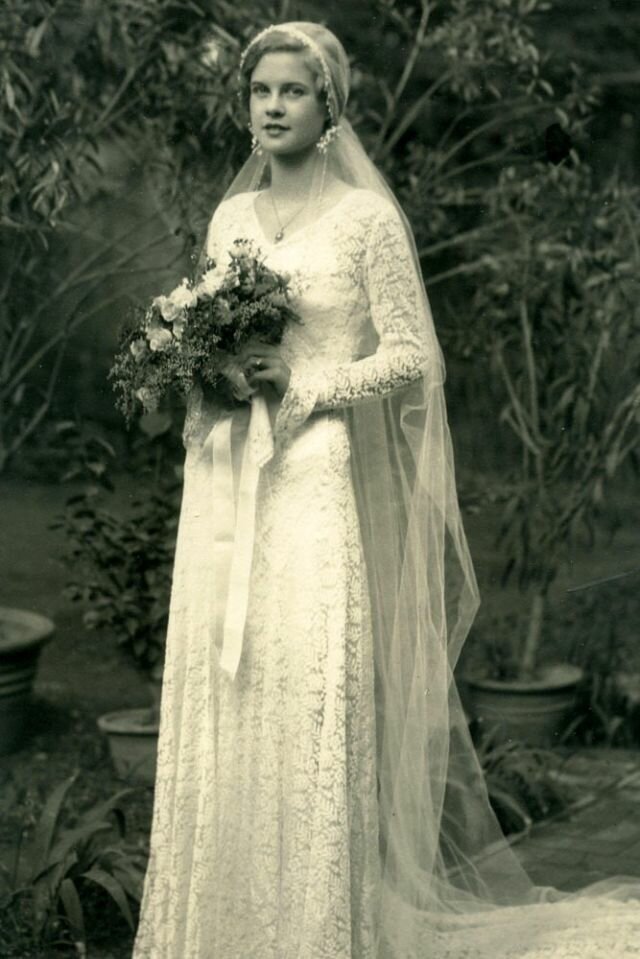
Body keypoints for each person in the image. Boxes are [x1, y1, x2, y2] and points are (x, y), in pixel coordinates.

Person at [132, 21, 640, 959]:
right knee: (227, 694)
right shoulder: (229, 221)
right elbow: (204, 348)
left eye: (292, 91)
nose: (273, 106)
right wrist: (210, 381)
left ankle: (315, 931)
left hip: (313, 476)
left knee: (305, 697)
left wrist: (310, 387)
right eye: (260, 92)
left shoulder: (366, 221)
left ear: (330, 109)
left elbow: (414, 355)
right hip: (225, 482)